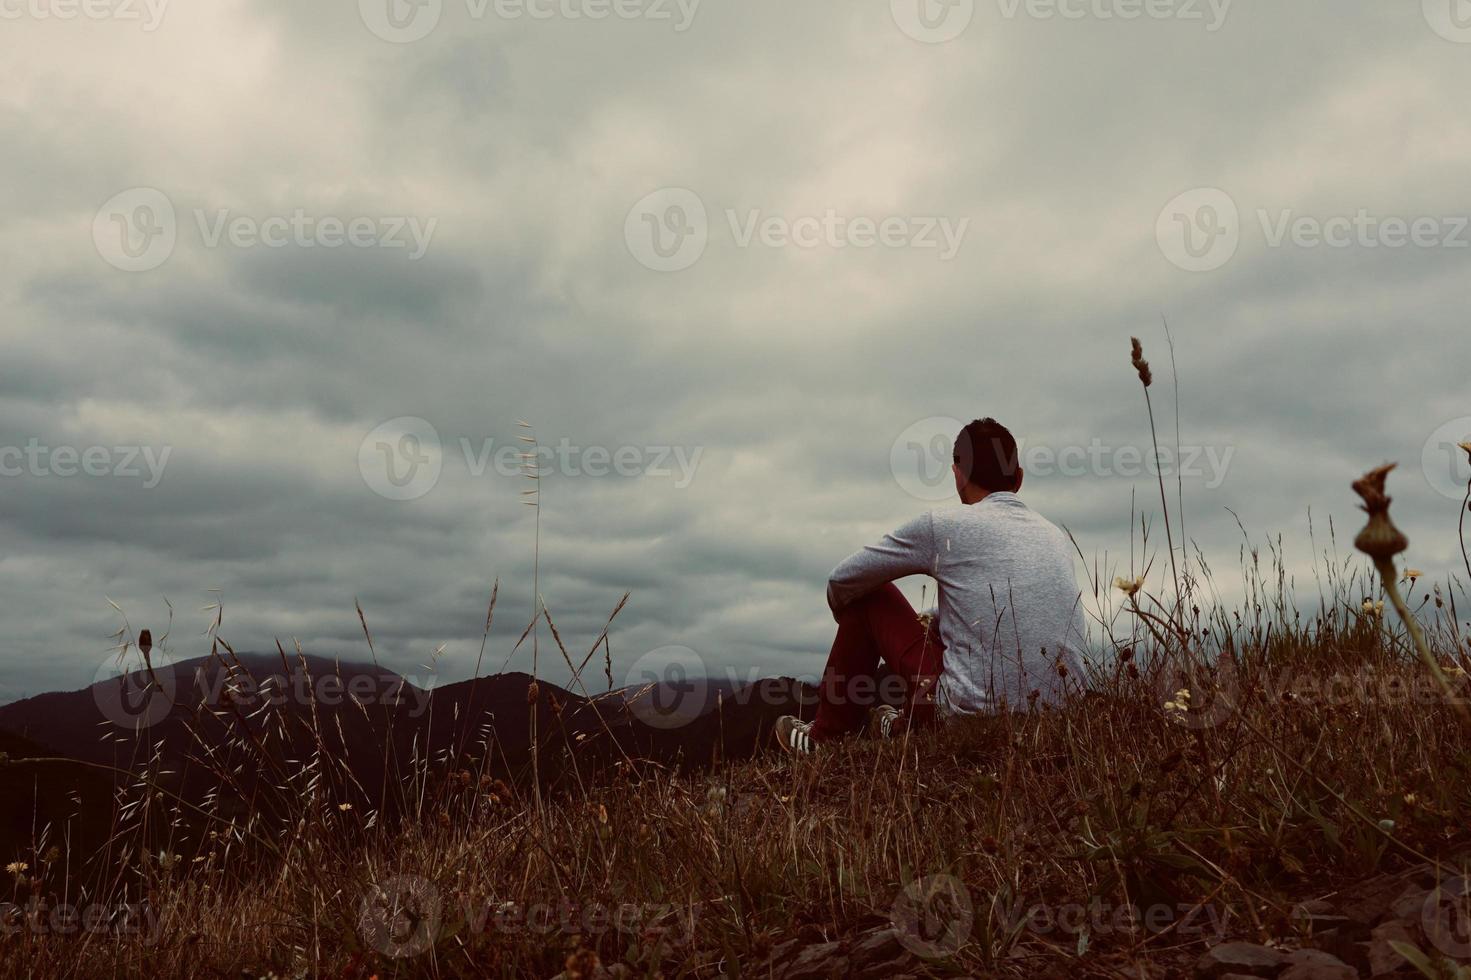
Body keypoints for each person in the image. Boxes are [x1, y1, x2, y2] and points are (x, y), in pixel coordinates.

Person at [775, 418, 1089, 754]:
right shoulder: (1055, 537)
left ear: (958, 473)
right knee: (943, 623)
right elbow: (1000, 610)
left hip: (971, 719)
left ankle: (825, 738)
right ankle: (902, 726)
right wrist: (929, 620)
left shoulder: (942, 527)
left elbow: (843, 580)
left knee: (868, 595)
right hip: (1059, 721)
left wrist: (861, 629)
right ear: (1020, 478)